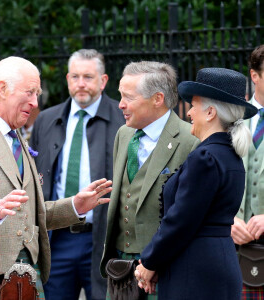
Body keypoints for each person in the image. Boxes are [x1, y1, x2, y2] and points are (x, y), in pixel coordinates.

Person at [0, 56, 112, 300]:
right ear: (2, 89)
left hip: (27, 273)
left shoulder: (19, 139)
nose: (35, 102)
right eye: (29, 92)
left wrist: (74, 206)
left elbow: (31, 213)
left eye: (37, 94)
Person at [134, 67, 258, 300]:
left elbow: (180, 220)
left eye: (194, 105)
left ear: (210, 112)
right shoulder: (229, 155)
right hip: (216, 264)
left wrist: (149, 262)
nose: (189, 113)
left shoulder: (205, 158)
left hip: (196, 272)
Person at [30, 49, 125, 300]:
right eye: (75, 77)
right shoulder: (46, 120)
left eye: (88, 77)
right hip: (57, 238)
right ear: (67, 79)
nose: (80, 84)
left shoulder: (123, 119)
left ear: (103, 81)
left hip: (104, 239)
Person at [100, 61, 198, 299]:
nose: (120, 104)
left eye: (129, 97)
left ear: (157, 99)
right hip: (120, 269)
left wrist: (156, 260)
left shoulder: (190, 140)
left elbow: (189, 217)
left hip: (164, 271)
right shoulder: (123, 134)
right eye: (120, 96)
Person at [232, 45, 264, 298]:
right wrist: (227, 219)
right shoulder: (231, 118)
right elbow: (208, 182)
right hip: (232, 246)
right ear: (254, 76)